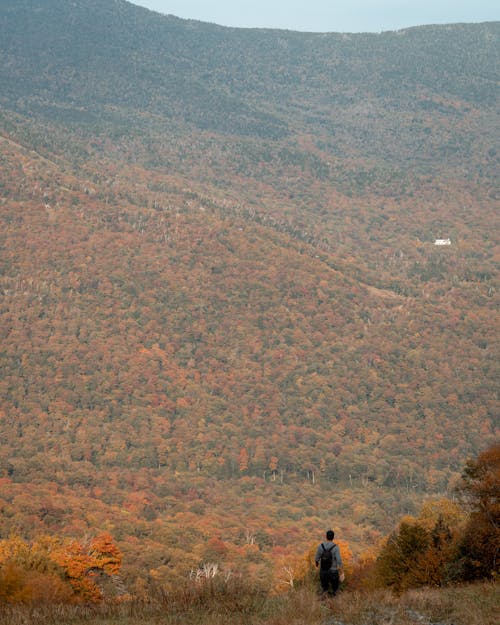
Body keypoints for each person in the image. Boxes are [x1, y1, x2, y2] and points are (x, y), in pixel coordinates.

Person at [315, 529, 344, 596]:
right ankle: (334, 602)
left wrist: (317, 566)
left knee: (324, 589)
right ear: (333, 537)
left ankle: (324, 602)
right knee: (335, 590)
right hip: (333, 572)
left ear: (326, 536)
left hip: (323, 571)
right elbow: (339, 560)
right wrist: (342, 572)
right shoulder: (336, 547)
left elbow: (316, 559)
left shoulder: (321, 546)